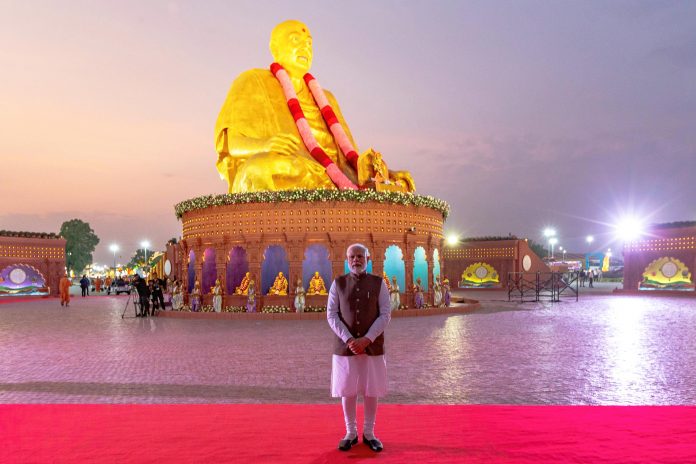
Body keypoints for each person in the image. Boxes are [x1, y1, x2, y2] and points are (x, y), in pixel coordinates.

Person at [214, 20, 414, 193]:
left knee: (398, 184)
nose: (305, 47)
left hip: (335, 178)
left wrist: (382, 175)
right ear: (275, 48)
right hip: (291, 169)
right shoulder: (253, 80)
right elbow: (232, 144)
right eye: (295, 40)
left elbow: (349, 156)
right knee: (258, 169)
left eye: (309, 43)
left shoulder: (326, 97)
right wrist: (265, 145)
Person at [327, 243, 391, 453]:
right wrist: (348, 339)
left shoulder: (379, 284)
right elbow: (332, 314)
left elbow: (385, 315)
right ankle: (350, 433)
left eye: (360, 256)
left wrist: (367, 339)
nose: (356, 260)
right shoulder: (338, 283)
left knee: (371, 390)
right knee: (348, 389)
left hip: (372, 347)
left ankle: (369, 433)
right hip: (346, 347)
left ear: (368, 259)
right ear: (347, 260)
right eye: (352, 257)